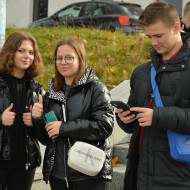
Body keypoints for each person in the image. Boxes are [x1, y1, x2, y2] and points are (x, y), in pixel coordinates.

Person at [116, 2, 190, 190]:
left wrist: (157, 116)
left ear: (176, 27)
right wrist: (125, 119)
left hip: (179, 176)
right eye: (149, 36)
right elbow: (134, 126)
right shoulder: (141, 72)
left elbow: (155, 117)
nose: (154, 42)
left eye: (158, 35)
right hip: (140, 174)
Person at [32, 36, 114, 190]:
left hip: (89, 173)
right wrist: (37, 119)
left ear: (80, 59)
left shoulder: (96, 89)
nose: (63, 62)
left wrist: (63, 127)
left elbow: (105, 126)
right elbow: (46, 139)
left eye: (69, 57)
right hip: (58, 176)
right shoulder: (51, 93)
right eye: (59, 58)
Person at [0, 31, 44, 190]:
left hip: (25, 165)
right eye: (21, 50)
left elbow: (46, 137)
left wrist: (37, 121)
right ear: (10, 51)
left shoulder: (37, 89)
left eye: (31, 52)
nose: (27, 56)